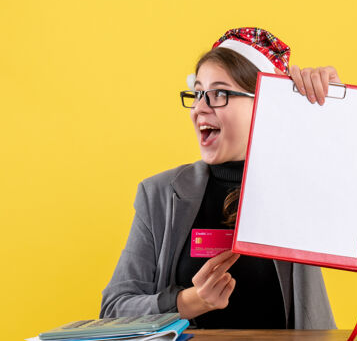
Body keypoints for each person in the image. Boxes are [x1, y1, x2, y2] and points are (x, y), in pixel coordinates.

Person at [100, 28, 341, 329]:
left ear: (263, 105)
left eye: (219, 94)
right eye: (198, 93)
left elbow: (350, 212)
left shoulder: (297, 185)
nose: (200, 108)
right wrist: (189, 302)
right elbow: (113, 309)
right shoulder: (159, 194)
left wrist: (332, 113)